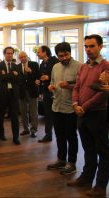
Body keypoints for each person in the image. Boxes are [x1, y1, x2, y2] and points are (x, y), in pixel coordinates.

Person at [68, 34, 109, 197]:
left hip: (98, 114)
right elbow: (77, 87)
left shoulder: (106, 66)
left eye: (92, 46)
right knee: (88, 149)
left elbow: (103, 93)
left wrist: (83, 107)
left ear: (100, 47)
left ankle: (100, 186)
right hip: (81, 113)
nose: (88, 49)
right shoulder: (83, 67)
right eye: (86, 46)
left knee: (103, 152)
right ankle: (86, 178)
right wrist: (75, 104)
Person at [47, 42, 80, 175]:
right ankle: (61, 160)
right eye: (61, 56)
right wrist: (51, 87)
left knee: (71, 136)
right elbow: (52, 82)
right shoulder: (55, 67)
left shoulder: (79, 66)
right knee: (59, 136)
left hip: (71, 108)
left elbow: (81, 86)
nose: (64, 58)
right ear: (57, 56)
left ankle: (71, 163)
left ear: (70, 52)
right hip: (56, 106)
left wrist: (69, 86)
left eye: (66, 55)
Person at [0, 46, 20, 145]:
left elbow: (18, 79)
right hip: (2, 94)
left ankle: (16, 137)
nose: (9, 55)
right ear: (4, 54)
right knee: (0, 115)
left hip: (13, 94)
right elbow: (1, 78)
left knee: (15, 116)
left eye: (11, 53)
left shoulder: (16, 66)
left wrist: (8, 75)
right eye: (7, 53)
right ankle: (1, 134)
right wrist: (13, 75)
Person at [36, 45, 59, 143]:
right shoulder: (41, 64)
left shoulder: (55, 61)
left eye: (39, 52)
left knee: (57, 115)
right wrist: (39, 82)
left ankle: (59, 136)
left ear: (45, 52)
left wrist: (48, 77)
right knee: (48, 114)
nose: (37, 54)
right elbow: (41, 76)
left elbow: (57, 76)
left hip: (55, 92)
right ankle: (48, 135)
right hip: (46, 92)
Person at [17, 51, 40, 138]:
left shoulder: (34, 64)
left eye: (24, 56)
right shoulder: (18, 66)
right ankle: (26, 129)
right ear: (19, 58)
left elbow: (38, 76)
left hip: (32, 91)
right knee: (23, 112)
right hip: (22, 92)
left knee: (33, 112)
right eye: (21, 57)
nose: (23, 58)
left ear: (27, 56)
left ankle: (34, 130)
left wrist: (30, 71)